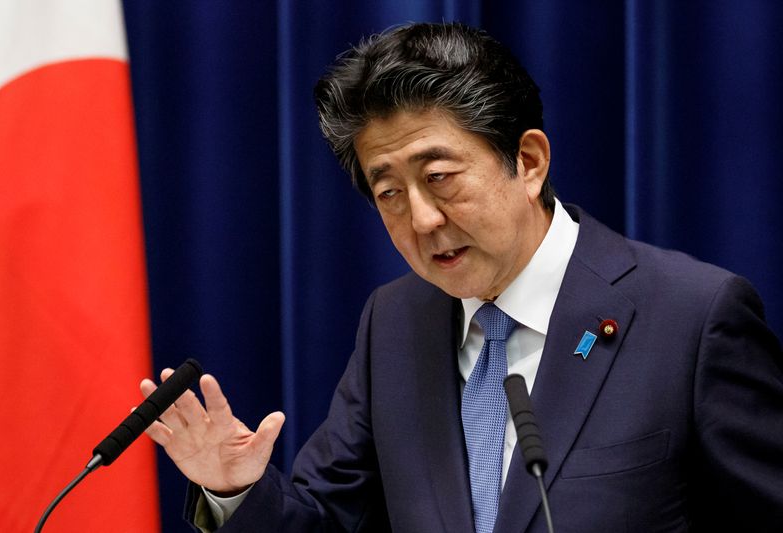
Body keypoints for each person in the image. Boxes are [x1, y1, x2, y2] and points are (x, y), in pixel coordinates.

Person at [140, 22, 783, 532]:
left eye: (439, 178)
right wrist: (234, 489)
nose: (421, 219)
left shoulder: (693, 317)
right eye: (388, 192)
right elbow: (326, 520)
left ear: (527, 162)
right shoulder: (394, 324)